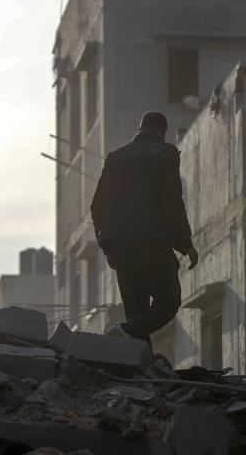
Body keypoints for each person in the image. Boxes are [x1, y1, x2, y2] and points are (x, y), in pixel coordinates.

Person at [90, 111, 198, 345]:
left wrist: (107, 246)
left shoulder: (115, 157)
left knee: (136, 314)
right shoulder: (165, 152)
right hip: (151, 242)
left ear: (140, 129)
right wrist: (185, 243)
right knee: (168, 301)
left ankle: (138, 368)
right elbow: (172, 200)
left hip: (119, 246)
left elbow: (96, 205)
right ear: (162, 131)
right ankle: (126, 331)